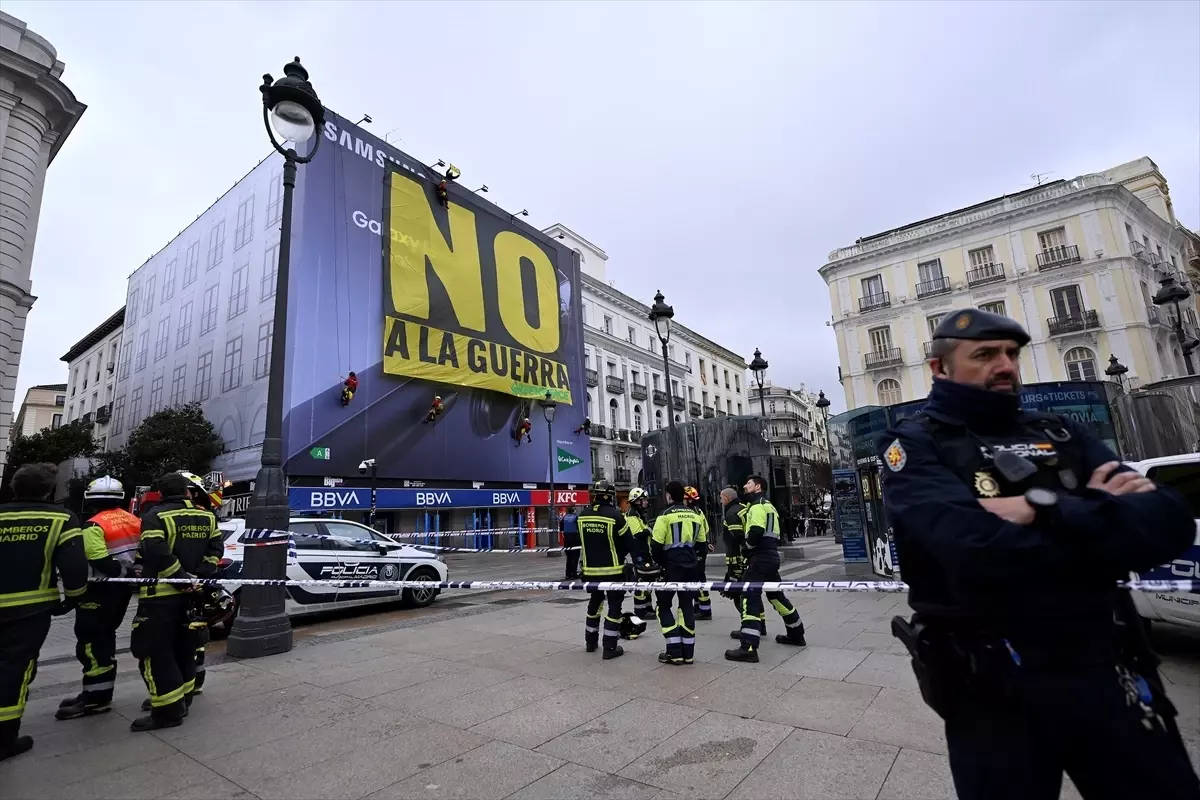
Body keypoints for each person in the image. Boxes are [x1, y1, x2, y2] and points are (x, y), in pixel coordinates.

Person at [881, 307, 1200, 800]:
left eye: (1011, 353)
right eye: (984, 355)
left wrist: (1038, 508)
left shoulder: (1060, 431)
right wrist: (1101, 516)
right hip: (991, 681)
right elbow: (970, 548)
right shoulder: (915, 443)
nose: (1005, 365)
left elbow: (1171, 522)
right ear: (940, 368)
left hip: (1106, 663)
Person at [0, 463, 88, 760]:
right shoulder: (61, 518)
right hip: (30, 610)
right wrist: (73, 598)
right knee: (15, 669)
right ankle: (4, 738)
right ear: (50, 490)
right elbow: (74, 566)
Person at [130, 471, 221, 732]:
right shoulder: (208, 516)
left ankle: (167, 712)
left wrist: (180, 578)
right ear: (188, 491)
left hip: (160, 599)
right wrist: (198, 576)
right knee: (185, 649)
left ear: (160, 493)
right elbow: (216, 550)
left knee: (155, 652)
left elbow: (156, 552)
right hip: (194, 596)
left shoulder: (155, 516)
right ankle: (183, 699)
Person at [56, 475, 142, 720]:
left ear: (90, 500)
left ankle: (96, 699)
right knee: (106, 638)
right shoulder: (135, 520)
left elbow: (99, 559)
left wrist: (120, 571)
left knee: (92, 643)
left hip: (99, 590)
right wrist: (128, 573)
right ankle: (95, 693)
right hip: (121, 590)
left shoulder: (93, 525)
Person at [725, 474, 806, 662]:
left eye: (748, 484)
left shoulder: (756, 506)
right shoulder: (769, 505)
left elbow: (755, 531)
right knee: (776, 596)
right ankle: (796, 633)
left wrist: (747, 547)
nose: (745, 486)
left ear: (758, 487)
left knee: (749, 597)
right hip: (771, 556)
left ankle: (749, 647)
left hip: (759, 557)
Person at [577, 481, 633, 660]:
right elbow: (627, 543)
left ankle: (590, 642)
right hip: (613, 571)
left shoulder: (582, 516)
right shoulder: (616, 516)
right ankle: (609, 647)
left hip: (589, 570)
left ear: (595, 495)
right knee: (614, 606)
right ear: (610, 496)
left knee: (595, 603)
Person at [650, 481, 703, 665]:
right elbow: (702, 545)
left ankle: (674, 651)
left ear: (669, 496)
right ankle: (688, 653)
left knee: (663, 606)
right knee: (686, 605)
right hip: (690, 567)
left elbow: (655, 546)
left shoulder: (664, 516)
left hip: (670, 567)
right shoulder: (696, 516)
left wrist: (661, 563)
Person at [718, 487, 758, 641]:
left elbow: (738, 536)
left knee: (738, 594)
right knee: (750, 593)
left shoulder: (731, 513)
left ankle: (747, 626)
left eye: (722, 497)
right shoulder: (743, 509)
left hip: (737, 560)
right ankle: (758, 625)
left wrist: (743, 552)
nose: (720, 500)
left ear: (727, 498)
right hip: (747, 558)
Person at [624, 488, 657, 619]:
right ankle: (640, 610)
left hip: (644, 552)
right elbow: (637, 533)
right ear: (636, 500)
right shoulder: (632, 514)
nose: (646, 502)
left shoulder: (638, 514)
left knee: (647, 580)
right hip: (639, 553)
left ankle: (648, 607)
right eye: (643, 500)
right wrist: (649, 530)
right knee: (641, 580)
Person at [683, 486, 714, 620]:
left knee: (698, 578)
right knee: (697, 577)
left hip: (695, 548)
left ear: (689, 500)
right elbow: (705, 528)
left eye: (684, 498)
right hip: (700, 547)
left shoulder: (688, 513)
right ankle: (699, 606)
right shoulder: (699, 511)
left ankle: (704, 609)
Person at [560, 505, 580, 579]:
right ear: (574, 510)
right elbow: (579, 528)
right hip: (575, 538)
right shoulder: (576, 518)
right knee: (575, 557)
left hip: (566, 539)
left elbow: (561, 528)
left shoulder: (564, 517)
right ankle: (574, 574)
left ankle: (567, 574)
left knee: (569, 557)